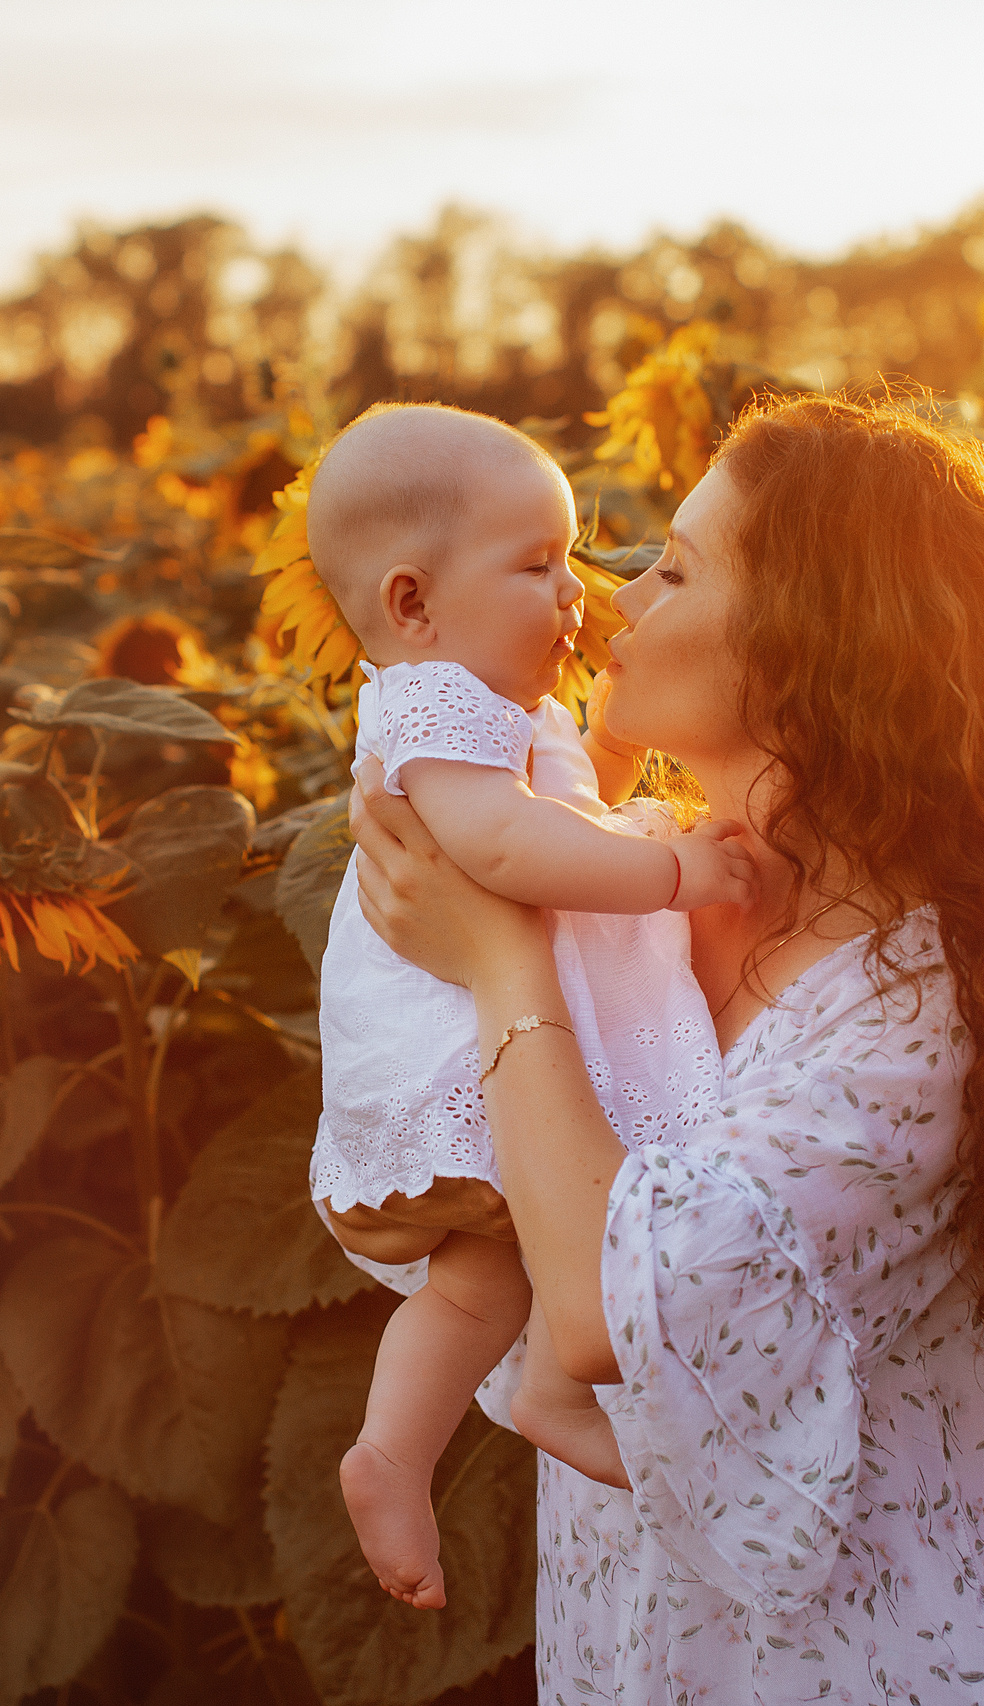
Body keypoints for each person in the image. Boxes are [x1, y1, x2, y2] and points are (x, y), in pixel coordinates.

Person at [345, 392, 984, 1702]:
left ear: (817, 645)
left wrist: (497, 960)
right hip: (645, 1647)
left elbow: (608, 1311)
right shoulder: (645, 888)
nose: (615, 594)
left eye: (676, 565)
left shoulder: (924, 1007)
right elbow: (504, 1230)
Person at [302, 402, 758, 1611]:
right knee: (501, 1250)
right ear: (412, 604)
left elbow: (561, 798)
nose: (580, 595)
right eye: (539, 565)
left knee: (490, 1275)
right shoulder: (427, 708)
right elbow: (506, 849)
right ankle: (395, 1451)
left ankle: (451, 1428)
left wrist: (606, 750)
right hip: (456, 1039)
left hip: (499, 1020)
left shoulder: (497, 709)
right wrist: (672, 869)